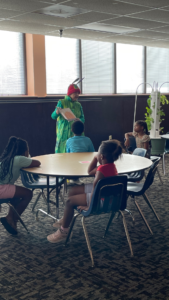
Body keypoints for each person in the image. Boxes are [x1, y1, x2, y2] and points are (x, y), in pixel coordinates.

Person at [47, 140, 122, 243]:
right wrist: (96, 158)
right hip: (109, 195)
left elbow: (95, 190)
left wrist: (89, 206)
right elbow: (90, 172)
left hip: (101, 199)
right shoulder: (110, 166)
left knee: (69, 201)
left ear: (102, 156)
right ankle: (66, 218)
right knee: (74, 190)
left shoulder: (101, 171)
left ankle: (64, 231)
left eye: (98, 153)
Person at [0, 136, 41, 235]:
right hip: (2, 188)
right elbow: (37, 162)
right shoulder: (19, 159)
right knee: (28, 194)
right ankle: (12, 218)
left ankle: (11, 218)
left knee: (17, 197)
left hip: (3, 187)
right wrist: (28, 155)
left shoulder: (7, 158)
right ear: (24, 150)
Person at [51, 84, 85, 153]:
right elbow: (53, 116)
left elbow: (83, 118)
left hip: (76, 132)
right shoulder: (61, 102)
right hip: (64, 132)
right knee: (63, 152)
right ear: (70, 93)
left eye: (78, 93)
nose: (77, 95)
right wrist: (57, 112)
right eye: (75, 93)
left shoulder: (78, 105)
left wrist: (80, 120)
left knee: (76, 151)